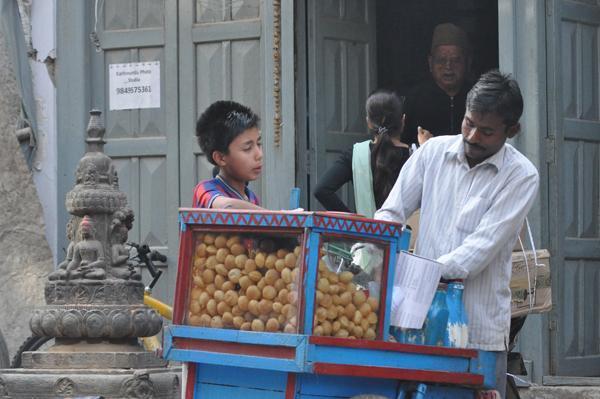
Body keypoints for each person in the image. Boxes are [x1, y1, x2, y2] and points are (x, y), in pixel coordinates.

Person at [374, 70, 539, 396]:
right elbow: (390, 214)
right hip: (417, 324)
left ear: (512, 130)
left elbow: (476, 253)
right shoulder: (432, 152)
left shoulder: (521, 176)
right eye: (468, 123)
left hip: (479, 332)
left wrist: (412, 273)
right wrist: (371, 255)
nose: (473, 136)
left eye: (487, 131)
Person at [313, 90, 411, 218]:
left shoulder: (357, 155)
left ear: (369, 122)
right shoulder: (415, 155)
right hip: (407, 235)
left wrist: (355, 223)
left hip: (367, 236)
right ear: (403, 120)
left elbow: (321, 190)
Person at [403, 22, 473, 145]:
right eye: (441, 60)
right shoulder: (414, 100)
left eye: (456, 60)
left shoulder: (477, 97)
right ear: (430, 63)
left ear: (467, 62)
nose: (448, 67)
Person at [193, 100, 264, 210]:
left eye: (258, 144)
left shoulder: (252, 199)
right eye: (247, 148)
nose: (259, 154)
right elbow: (227, 206)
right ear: (220, 158)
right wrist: (277, 217)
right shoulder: (205, 190)